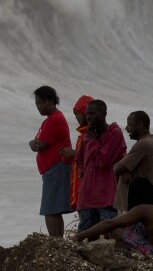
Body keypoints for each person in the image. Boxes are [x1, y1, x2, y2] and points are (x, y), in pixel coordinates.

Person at [74, 178, 153, 257]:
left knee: (115, 229)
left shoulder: (143, 209)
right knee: (126, 227)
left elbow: (109, 223)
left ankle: (124, 254)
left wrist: (80, 236)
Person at [75, 99, 127, 235]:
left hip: (106, 197)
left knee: (109, 236)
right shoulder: (88, 135)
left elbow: (102, 162)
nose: (89, 117)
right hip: (87, 197)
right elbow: (79, 159)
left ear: (104, 114)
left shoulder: (114, 134)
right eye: (87, 114)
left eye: (93, 113)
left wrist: (92, 142)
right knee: (85, 238)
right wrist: (82, 174)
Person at [29, 85, 73, 237]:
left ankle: (56, 243)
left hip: (57, 168)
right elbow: (37, 143)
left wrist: (32, 144)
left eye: (41, 103)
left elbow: (40, 144)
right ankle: (58, 242)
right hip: (54, 169)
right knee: (54, 209)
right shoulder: (50, 120)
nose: (39, 107)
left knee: (50, 209)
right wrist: (32, 143)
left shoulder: (54, 120)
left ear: (51, 101)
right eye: (37, 104)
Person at [113, 111, 153, 213]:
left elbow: (117, 169)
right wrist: (126, 169)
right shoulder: (150, 143)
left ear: (140, 124)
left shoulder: (143, 144)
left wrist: (123, 168)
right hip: (137, 205)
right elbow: (124, 166)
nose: (126, 128)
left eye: (129, 124)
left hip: (133, 206)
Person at [59, 94, 94, 211]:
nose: (76, 117)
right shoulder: (82, 135)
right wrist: (67, 155)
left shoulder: (93, 134)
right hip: (81, 186)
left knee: (88, 223)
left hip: (89, 188)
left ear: (86, 113)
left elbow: (95, 157)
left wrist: (74, 153)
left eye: (78, 113)